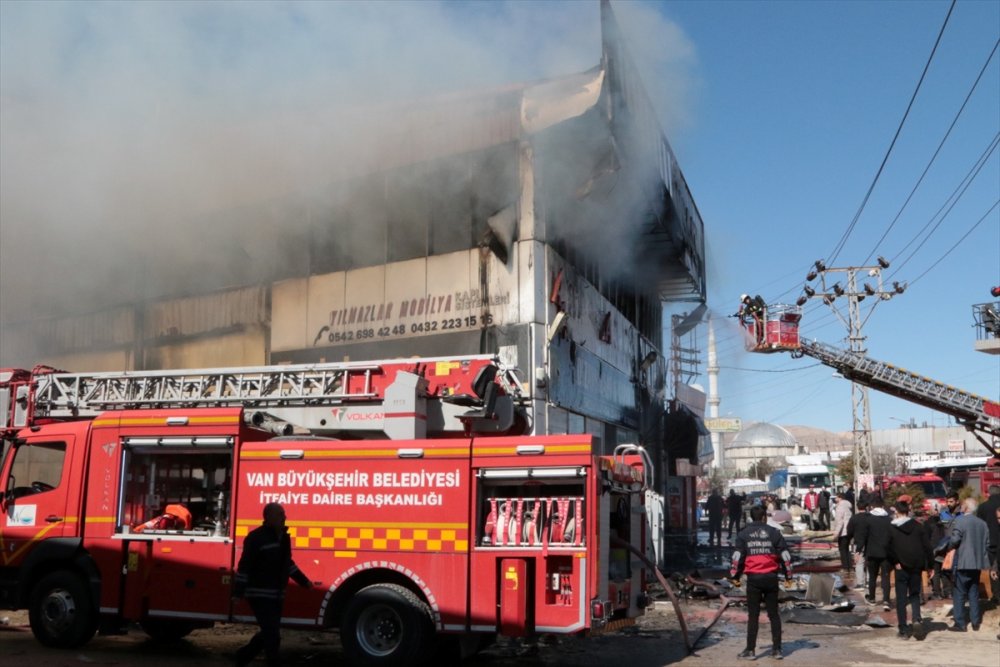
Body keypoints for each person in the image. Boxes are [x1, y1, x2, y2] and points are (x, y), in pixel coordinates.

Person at [233, 503, 313, 667]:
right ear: (268, 518)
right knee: (272, 633)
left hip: (276, 594)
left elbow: (287, 564)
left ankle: (242, 656)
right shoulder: (256, 538)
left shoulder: (283, 538)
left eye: (284, 514)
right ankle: (272, 661)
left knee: (269, 630)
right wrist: (238, 593)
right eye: (280, 514)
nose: (284, 517)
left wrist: (304, 581)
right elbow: (245, 566)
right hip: (259, 594)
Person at [730, 505, 792, 660]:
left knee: (753, 616)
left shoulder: (743, 534)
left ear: (751, 517)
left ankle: (750, 650)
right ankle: (777, 650)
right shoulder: (774, 533)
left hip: (754, 581)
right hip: (771, 579)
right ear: (765, 517)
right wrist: (788, 576)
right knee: (774, 615)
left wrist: (735, 577)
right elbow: (785, 556)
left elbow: (738, 558)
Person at [940, 498, 990, 633]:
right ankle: (975, 622)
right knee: (973, 592)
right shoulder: (982, 523)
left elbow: (955, 539)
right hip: (977, 563)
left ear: (966, 507)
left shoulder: (960, 521)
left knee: (959, 593)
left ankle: (960, 623)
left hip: (962, 562)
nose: (960, 507)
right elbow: (987, 543)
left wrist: (947, 547)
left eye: (962, 505)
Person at [886, 500, 932, 640]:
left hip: (900, 566)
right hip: (916, 566)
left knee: (901, 598)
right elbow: (927, 547)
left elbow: (888, 547)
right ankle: (917, 619)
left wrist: (895, 561)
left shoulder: (892, 528)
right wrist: (929, 566)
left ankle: (903, 628)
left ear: (898, 512)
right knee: (915, 594)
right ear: (908, 511)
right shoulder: (918, 526)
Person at [857, 499, 893, 611]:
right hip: (886, 552)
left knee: (872, 576)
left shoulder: (868, 519)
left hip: (872, 552)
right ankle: (886, 600)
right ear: (883, 506)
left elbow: (863, 536)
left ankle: (872, 598)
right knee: (885, 577)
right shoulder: (889, 519)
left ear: (872, 507)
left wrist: (859, 550)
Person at [975, 484, 1000, 602]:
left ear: (989, 493)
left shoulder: (983, 507)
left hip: (990, 542)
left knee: (993, 569)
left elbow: (979, 526)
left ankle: (996, 595)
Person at [846, 499, 869, 589]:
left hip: (858, 542)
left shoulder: (854, 518)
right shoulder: (870, 517)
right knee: (869, 562)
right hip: (870, 542)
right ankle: (869, 581)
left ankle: (860, 583)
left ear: (857, 507)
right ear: (866, 507)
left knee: (859, 563)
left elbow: (849, 531)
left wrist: (851, 538)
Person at [832, 492, 853, 574]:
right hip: (849, 530)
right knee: (847, 549)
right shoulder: (848, 506)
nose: (835, 499)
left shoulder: (840, 507)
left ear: (840, 498)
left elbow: (840, 522)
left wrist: (836, 533)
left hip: (843, 531)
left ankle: (845, 567)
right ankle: (850, 566)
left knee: (842, 549)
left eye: (836, 497)